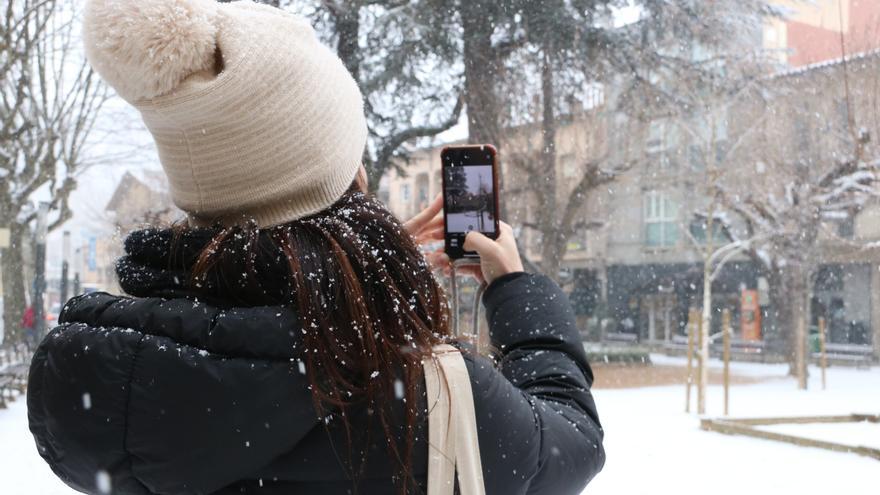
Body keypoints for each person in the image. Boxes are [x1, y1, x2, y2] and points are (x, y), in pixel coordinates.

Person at [27, 1, 605, 494]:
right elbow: (570, 443)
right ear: (348, 182)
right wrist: (515, 289)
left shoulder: (112, 383)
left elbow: (244, 329)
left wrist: (345, 273)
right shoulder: (432, 397)